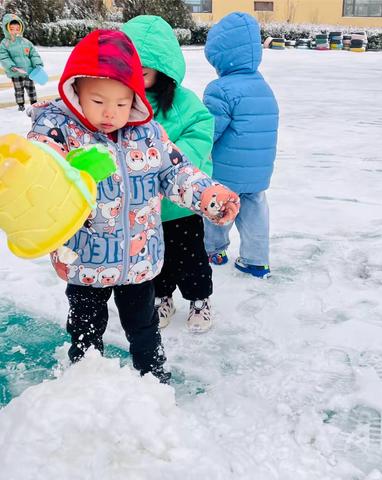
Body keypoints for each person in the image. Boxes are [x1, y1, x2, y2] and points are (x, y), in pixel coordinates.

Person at [27, 30, 239, 382]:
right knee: (85, 330)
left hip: (138, 263)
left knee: (144, 329)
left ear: (136, 99)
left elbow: (177, 171)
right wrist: (46, 163)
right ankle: (83, 381)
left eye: (122, 103)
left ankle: (153, 380)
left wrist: (209, 195)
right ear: (75, 91)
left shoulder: (147, 133)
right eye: (98, 101)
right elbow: (37, 165)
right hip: (85, 260)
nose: (111, 113)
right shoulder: (58, 131)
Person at [121, 15, 215, 333]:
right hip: (142, 209)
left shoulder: (183, 103)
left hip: (179, 204)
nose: (135, 75)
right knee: (154, 261)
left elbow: (200, 134)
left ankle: (199, 300)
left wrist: (162, 161)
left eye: (144, 69)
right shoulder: (120, 101)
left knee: (190, 260)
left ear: (164, 66)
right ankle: (162, 298)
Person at [203, 12, 279, 279]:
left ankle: (214, 250)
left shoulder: (220, 89)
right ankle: (256, 260)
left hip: (226, 171)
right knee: (255, 212)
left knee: (217, 209)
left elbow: (210, 131)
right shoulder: (264, 87)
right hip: (258, 171)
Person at [0, 13, 43, 111]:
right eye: (12, 29)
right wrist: (12, 66)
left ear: (21, 28)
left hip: (28, 70)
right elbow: (4, 57)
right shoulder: (4, 43)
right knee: (19, 90)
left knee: (31, 88)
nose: (15, 31)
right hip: (15, 72)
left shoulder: (25, 41)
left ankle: (34, 103)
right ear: (6, 29)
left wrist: (37, 63)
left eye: (17, 28)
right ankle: (21, 105)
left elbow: (33, 53)